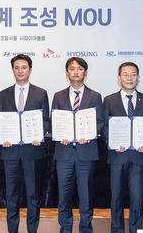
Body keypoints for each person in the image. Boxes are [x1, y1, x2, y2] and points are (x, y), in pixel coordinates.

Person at [0, 54, 49, 233]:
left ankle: (32, 230)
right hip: (10, 152)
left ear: (30, 70)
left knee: (32, 195)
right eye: (17, 67)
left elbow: (46, 121)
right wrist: (2, 138)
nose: (20, 71)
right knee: (11, 195)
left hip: (31, 151)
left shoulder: (41, 93)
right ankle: (13, 230)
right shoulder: (2, 95)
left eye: (24, 67)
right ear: (13, 70)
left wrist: (39, 133)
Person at [51, 57, 103, 233]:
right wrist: (59, 135)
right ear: (67, 73)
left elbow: (100, 122)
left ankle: (86, 228)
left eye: (79, 69)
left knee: (86, 196)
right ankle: (65, 228)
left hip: (86, 152)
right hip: (64, 153)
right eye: (72, 69)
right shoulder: (58, 96)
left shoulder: (95, 96)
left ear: (85, 73)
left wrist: (90, 135)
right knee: (64, 196)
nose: (75, 72)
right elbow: (54, 121)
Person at [102, 62, 143, 233]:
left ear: (138, 78)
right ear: (119, 78)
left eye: (133, 74)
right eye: (125, 74)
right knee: (116, 198)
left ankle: (135, 230)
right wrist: (113, 142)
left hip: (138, 157)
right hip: (118, 156)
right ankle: (117, 230)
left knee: (137, 199)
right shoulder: (109, 100)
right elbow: (104, 128)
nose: (129, 78)